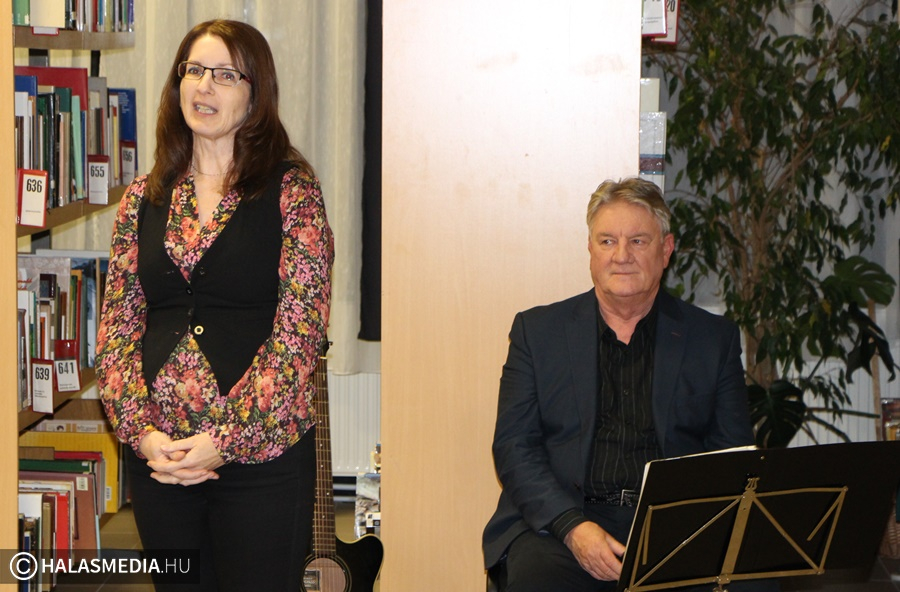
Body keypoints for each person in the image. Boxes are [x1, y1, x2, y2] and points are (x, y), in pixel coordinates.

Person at [95, 19, 333, 592]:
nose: (204, 86)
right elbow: (117, 331)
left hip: (262, 460)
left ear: (255, 94)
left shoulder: (292, 191)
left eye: (225, 75)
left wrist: (223, 441)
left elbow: (299, 333)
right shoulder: (142, 198)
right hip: (162, 461)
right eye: (194, 70)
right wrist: (144, 436)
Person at [482, 178, 778, 592]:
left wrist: (685, 531)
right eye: (607, 241)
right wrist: (572, 527)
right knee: (536, 578)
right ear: (590, 250)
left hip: (675, 525)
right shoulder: (537, 332)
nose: (621, 256)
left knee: (754, 582)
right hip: (564, 525)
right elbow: (514, 447)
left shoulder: (713, 340)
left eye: (638, 241)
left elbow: (731, 456)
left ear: (666, 250)